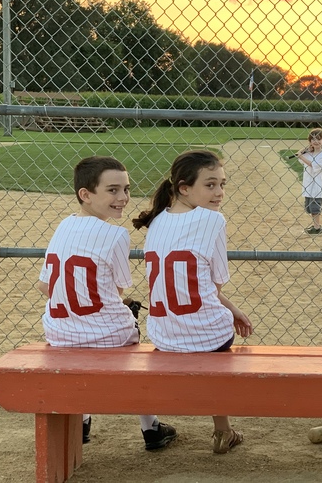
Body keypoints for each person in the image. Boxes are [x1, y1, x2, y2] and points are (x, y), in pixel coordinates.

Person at [37, 156, 177, 451]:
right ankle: (150, 427)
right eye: (112, 190)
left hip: (60, 334)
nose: (123, 198)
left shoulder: (64, 225)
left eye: (126, 189)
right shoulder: (116, 234)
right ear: (85, 195)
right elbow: (116, 289)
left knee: (88, 334)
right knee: (129, 327)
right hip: (108, 336)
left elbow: (45, 287)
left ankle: (83, 419)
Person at [132, 150, 253, 454]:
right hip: (209, 336)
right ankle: (222, 431)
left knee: (203, 324)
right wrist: (232, 309)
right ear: (184, 188)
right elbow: (214, 284)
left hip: (164, 336)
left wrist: (231, 307)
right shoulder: (212, 220)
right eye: (210, 185)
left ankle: (155, 423)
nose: (219, 192)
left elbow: (194, 285)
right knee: (215, 334)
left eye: (222, 184)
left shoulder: (157, 220)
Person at [296, 127, 322, 234]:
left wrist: (301, 156)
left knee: (315, 208)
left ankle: (317, 227)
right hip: (308, 185)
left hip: (316, 185)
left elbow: (313, 164)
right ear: (310, 142)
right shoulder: (309, 153)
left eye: (319, 139)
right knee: (309, 208)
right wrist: (305, 150)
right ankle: (315, 225)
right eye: (313, 139)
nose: (316, 141)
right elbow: (298, 154)